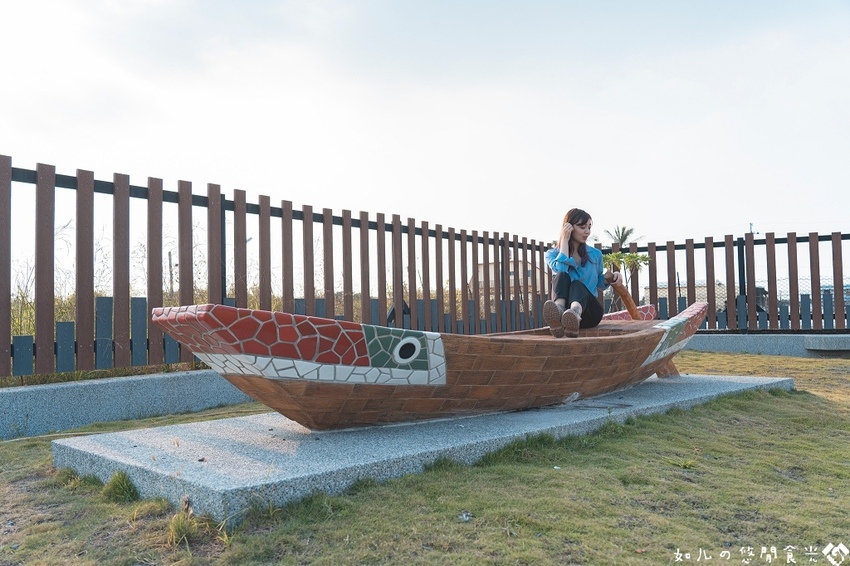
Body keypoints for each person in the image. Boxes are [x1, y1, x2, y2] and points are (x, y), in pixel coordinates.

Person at [543, 208, 624, 337]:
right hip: (564, 317)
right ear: (568, 227)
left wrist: (613, 277)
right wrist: (564, 240)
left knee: (576, 284)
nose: (587, 232)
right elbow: (561, 271)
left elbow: (599, 283)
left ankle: (574, 313)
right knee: (562, 275)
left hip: (588, 314)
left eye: (589, 227)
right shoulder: (551, 254)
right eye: (582, 227)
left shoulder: (595, 254)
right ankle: (559, 311)